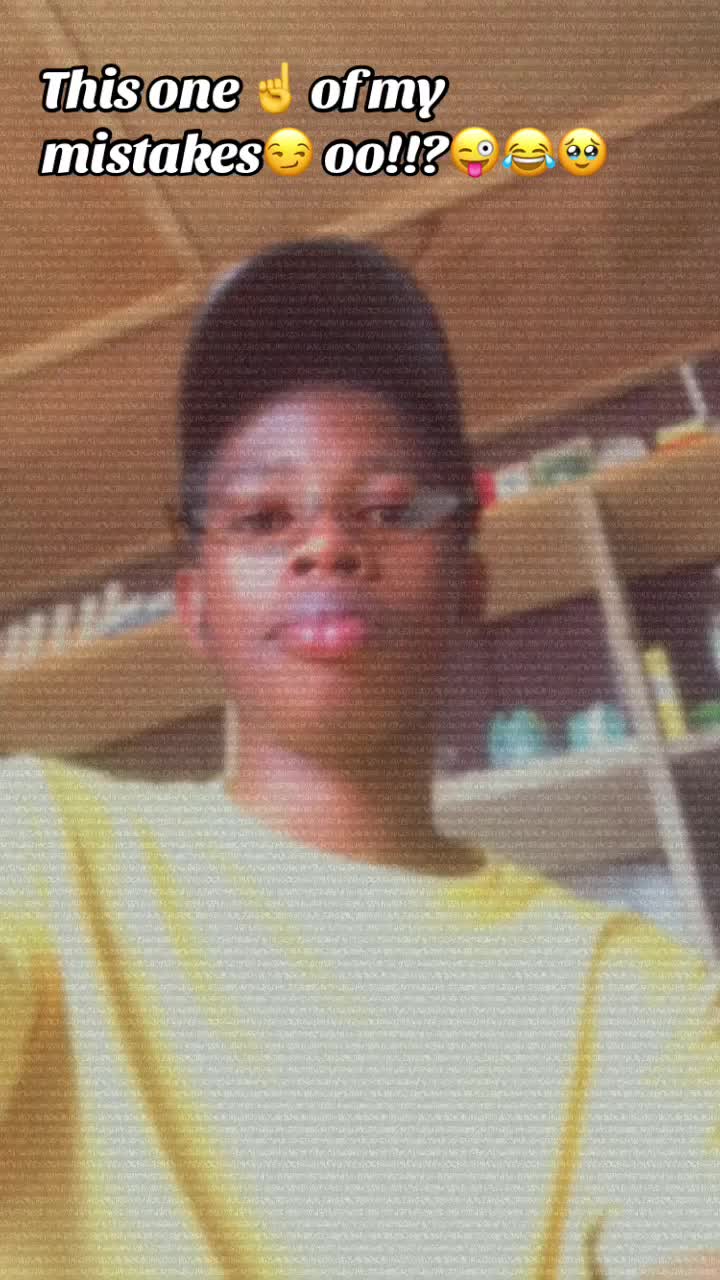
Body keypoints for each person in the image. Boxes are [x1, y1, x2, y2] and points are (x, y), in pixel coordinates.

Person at [1, 240, 718, 1280]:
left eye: (387, 508)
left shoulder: (635, 995)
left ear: (470, 587)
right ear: (195, 609)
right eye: (262, 517)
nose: (327, 544)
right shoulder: (37, 847)